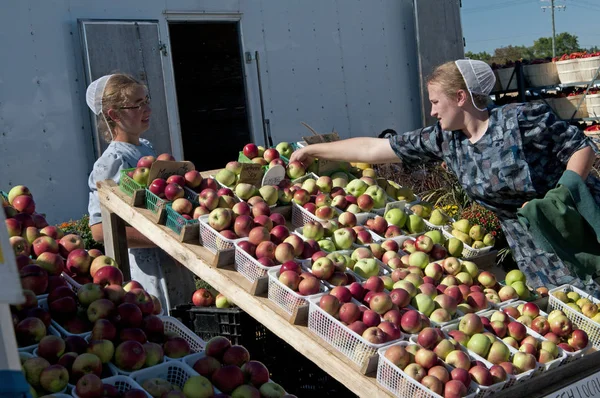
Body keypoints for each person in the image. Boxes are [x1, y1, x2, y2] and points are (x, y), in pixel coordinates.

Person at [290, 59, 600, 294]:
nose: (432, 111)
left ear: (461, 97)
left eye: (436, 102)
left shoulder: (519, 121)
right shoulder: (446, 140)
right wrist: (316, 150)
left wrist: (564, 194)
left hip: (578, 229)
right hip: (535, 252)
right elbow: (374, 149)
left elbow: (580, 147)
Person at [86, 73, 196, 312]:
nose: (147, 109)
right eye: (137, 104)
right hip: (149, 269)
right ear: (114, 115)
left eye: (147, 100)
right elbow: (99, 230)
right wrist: (165, 237)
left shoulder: (146, 148)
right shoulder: (112, 161)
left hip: (170, 256)